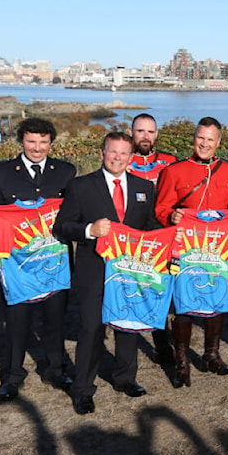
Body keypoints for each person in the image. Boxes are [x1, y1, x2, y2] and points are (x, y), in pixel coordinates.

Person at [53, 132, 161, 414]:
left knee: (128, 326)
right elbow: (61, 227)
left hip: (131, 270)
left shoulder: (144, 187)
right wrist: (89, 230)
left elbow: (150, 225)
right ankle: (82, 389)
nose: (118, 158)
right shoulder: (80, 186)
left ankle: (125, 378)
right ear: (102, 153)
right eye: (113, 152)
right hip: (94, 270)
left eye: (124, 154)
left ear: (131, 157)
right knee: (91, 329)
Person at [0, 117, 76, 403]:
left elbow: (73, 213)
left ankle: (56, 369)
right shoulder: (1, 172)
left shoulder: (66, 172)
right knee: (17, 321)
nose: (37, 148)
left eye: (43, 142)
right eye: (31, 141)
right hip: (16, 264)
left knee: (55, 321)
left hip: (54, 263)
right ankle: (12, 375)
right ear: (21, 141)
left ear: (50, 143)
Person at [155, 117, 228, 387]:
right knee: (183, 305)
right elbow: (160, 208)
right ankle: (181, 362)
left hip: (219, 249)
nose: (205, 144)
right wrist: (171, 216)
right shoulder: (175, 171)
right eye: (200, 138)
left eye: (210, 139)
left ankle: (211, 355)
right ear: (194, 139)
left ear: (218, 142)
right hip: (185, 246)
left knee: (217, 299)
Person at [126, 113, 177, 370]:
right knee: (133, 287)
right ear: (131, 132)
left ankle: (163, 346)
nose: (145, 136)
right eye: (140, 131)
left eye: (150, 131)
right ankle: (128, 342)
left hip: (162, 234)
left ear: (157, 134)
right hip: (130, 235)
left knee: (161, 289)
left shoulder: (169, 161)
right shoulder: (121, 157)